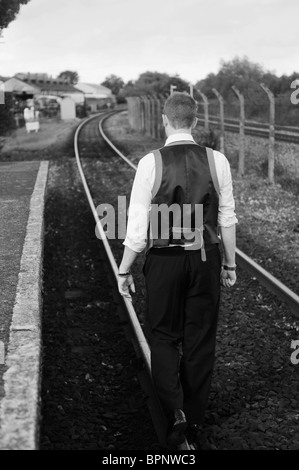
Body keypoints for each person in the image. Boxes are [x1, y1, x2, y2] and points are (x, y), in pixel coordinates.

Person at [117, 92, 237, 448]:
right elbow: (227, 219)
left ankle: (175, 411)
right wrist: (229, 263)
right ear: (196, 122)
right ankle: (195, 419)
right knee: (200, 340)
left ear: (165, 121)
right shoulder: (218, 161)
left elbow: (137, 226)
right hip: (206, 258)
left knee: (164, 336)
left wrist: (124, 270)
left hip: (164, 261)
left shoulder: (150, 162)